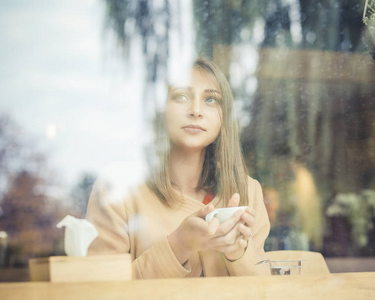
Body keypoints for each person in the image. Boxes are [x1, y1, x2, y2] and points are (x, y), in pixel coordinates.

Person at [86, 57, 270, 279]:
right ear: (160, 109)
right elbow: (98, 289)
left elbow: (265, 290)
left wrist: (238, 253)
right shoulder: (116, 188)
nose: (196, 110)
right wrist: (179, 244)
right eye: (181, 96)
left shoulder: (248, 191)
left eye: (211, 99)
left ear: (225, 118)